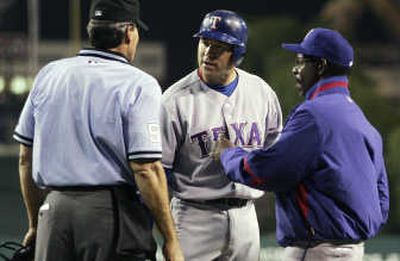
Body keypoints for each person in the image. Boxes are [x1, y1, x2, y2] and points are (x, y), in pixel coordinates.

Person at [13, 0, 183, 260]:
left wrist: (36, 224)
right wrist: (170, 239)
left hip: (53, 210)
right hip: (108, 214)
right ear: (129, 32)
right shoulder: (139, 84)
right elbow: (146, 168)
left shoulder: (49, 74)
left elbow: (26, 158)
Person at [214, 27, 390, 260]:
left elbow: (268, 171)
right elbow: (382, 201)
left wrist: (229, 155)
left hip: (317, 249)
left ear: (320, 66)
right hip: (356, 250)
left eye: (300, 61)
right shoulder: (362, 121)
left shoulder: (314, 115)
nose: (295, 70)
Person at [161, 9, 283, 261]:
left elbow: (276, 155)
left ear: (236, 54)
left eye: (219, 47)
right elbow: (160, 171)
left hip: (246, 215)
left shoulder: (261, 92)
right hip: (194, 216)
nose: (208, 53)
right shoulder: (174, 100)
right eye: (205, 43)